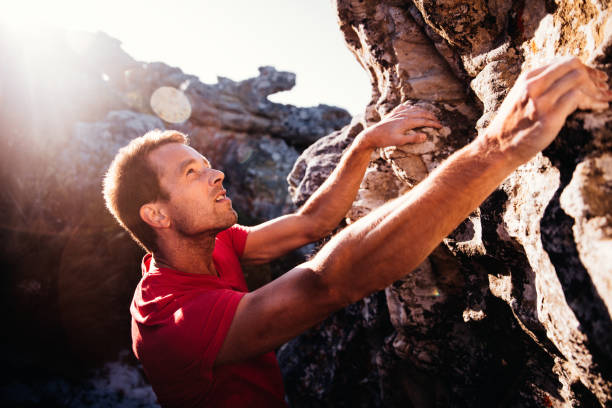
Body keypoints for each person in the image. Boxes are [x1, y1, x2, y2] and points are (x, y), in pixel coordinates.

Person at [102, 57, 611, 407]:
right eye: (192, 173)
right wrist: (499, 145)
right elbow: (329, 283)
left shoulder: (211, 243)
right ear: (157, 215)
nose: (216, 174)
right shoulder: (170, 323)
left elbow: (312, 223)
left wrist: (366, 143)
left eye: (207, 163)